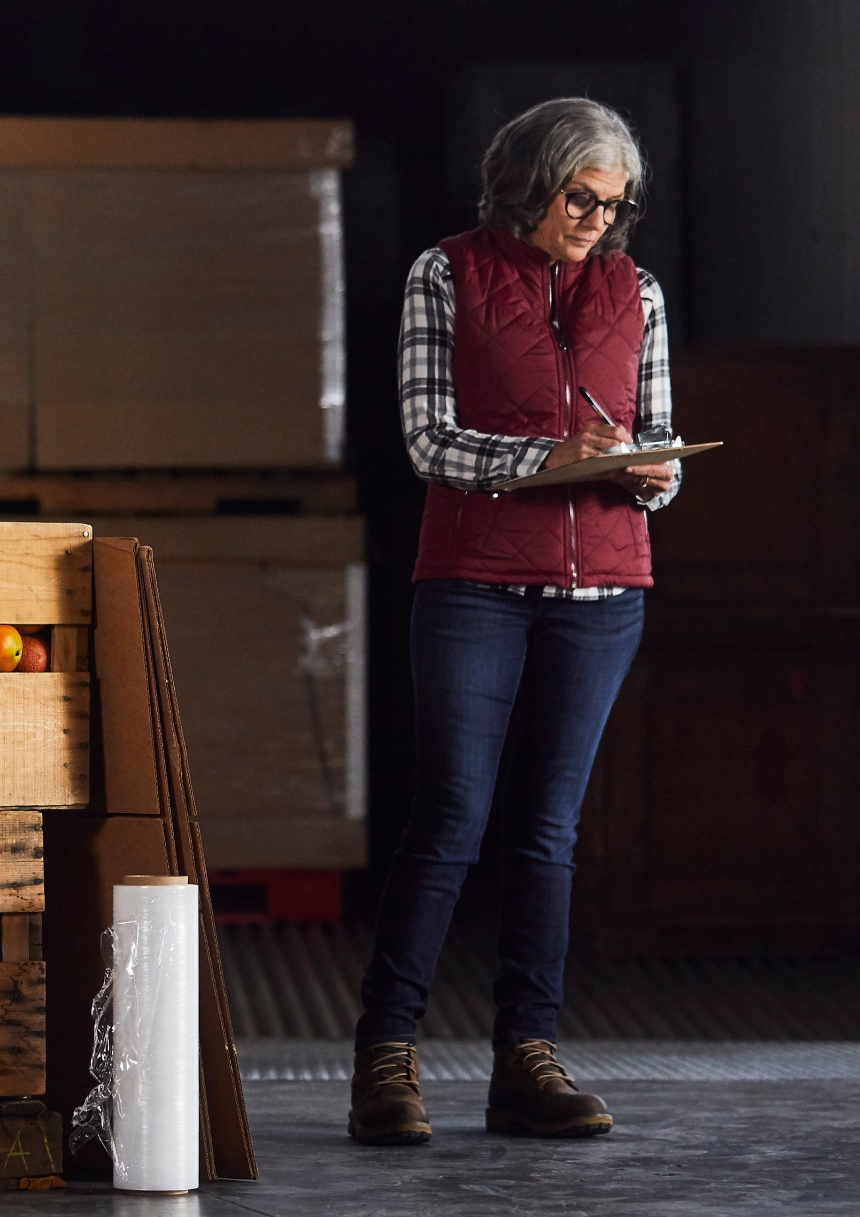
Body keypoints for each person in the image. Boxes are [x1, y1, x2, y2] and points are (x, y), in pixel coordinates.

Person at [349, 98, 680, 1145]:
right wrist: (538, 459)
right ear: (528, 181)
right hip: (474, 581)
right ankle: (384, 1056)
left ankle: (524, 1058)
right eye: (578, 197)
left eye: (612, 205)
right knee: (450, 815)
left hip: (602, 595)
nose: (594, 220)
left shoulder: (639, 292)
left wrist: (651, 470)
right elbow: (426, 440)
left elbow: (658, 449)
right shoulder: (443, 273)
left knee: (548, 830)